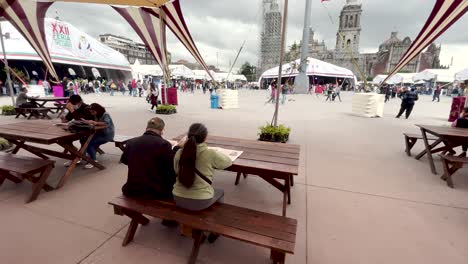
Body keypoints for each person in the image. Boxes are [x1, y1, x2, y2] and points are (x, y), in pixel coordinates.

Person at [121, 117, 185, 200]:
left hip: (132, 189)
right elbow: (171, 167)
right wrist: (178, 147)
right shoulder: (164, 144)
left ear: (146, 128)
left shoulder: (131, 142)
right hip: (154, 191)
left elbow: (125, 160)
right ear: (162, 130)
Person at [172, 123, 232, 213]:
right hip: (201, 200)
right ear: (205, 138)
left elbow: (176, 170)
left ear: (188, 136)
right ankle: (214, 219)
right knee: (220, 192)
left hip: (178, 197)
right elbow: (228, 162)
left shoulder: (179, 152)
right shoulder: (210, 153)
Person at [80, 103, 115, 169]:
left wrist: (95, 123)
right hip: (100, 133)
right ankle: (83, 156)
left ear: (98, 110)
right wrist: (87, 122)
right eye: (91, 112)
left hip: (107, 134)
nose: (92, 113)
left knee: (90, 144)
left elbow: (106, 123)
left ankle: (93, 160)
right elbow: (96, 124)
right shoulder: (96, 115)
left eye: (93, 111)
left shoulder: (105, 114)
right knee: (84, 140)